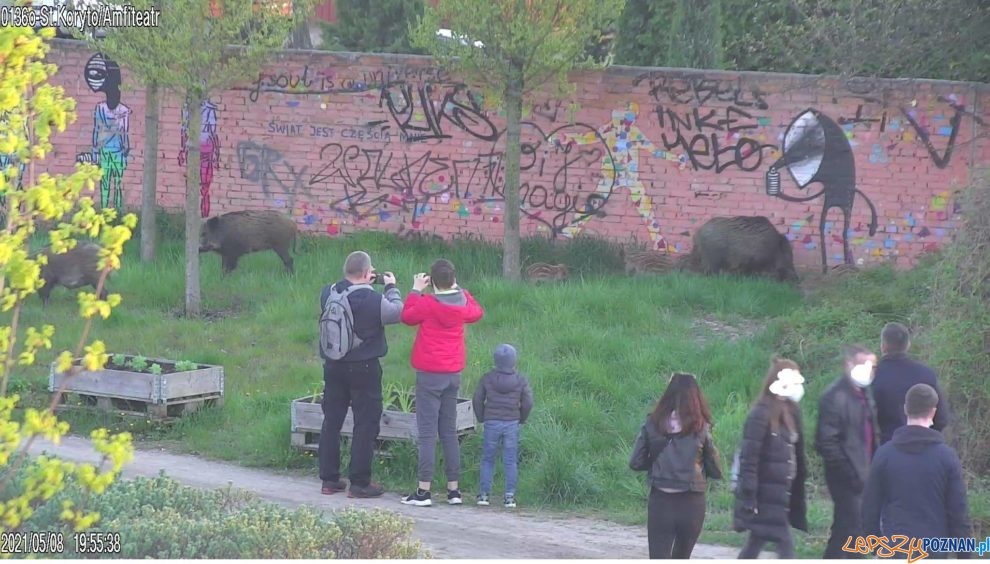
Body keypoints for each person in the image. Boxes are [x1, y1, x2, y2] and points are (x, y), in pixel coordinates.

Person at [317, 251, 403, 498]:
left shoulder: (328, 292)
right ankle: (360, 483)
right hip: (364, 367)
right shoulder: (373, 299)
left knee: (331, 420)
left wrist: (365, 280)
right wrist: (391, 287)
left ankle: (329, 479)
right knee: (365, 424)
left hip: (333, 365)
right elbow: (397, 312)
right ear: (367, 274)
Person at [400, 259, 484, 507]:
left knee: (427, 434)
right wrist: (461, 290)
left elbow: (406, 316)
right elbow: (477, 311)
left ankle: (423, 492)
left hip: (429, 374)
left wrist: (416, 289)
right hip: (452, 374)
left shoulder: (428, 303)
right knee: (448, 431)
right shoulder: (462, 303)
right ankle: (453, 491)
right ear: (454, 280)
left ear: (432, 281)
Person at [862, 384, 972, 558]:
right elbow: (958, 512)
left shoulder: (884, 455)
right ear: (933, 412)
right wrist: (965, 557)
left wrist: (875, 546)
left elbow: (869, 508)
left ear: (906, 409)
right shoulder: (946, 457)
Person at [629, 373, 723, 559]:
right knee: (682, 557)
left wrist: (655, 462)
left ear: (667, 395)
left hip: (661, 502)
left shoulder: (652, 423)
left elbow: (635, 462)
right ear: (695, 398)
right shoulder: (701, 427)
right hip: (692, 503)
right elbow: (714, 468)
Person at [734, 356, 809, 559]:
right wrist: (749, 492)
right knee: (784, 544)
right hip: (766, 492)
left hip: (780, 491)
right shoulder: (761, 413)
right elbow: (749, 456)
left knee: (756, 542)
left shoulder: (791, 411)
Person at [815, 345, 880, 559]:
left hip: (865, 472)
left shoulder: (864, 393)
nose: (869, 370)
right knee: (855, 531)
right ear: (849, 364)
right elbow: (826, 442)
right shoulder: (834, 396)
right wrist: (850, 475)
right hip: (846, 476)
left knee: (844, 530)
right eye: (864, 364)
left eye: (872, 366)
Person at [472, 343, 534, 509]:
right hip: (511, 423)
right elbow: (528, 402)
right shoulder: (521, 380)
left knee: (487, 459)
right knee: (510, 460)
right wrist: (521, 418)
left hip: (491, 421)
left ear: (495, 361)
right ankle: (509, 497)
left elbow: (477, 399)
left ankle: (484, 495)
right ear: (514, 361)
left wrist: (481, 417)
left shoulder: (487, 378)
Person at [873, 322, 951, 445]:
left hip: (883, 450)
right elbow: (941, 419)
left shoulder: (872, 377)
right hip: (923, 449)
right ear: (907, 345)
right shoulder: (926, 374)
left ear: (883, 346)